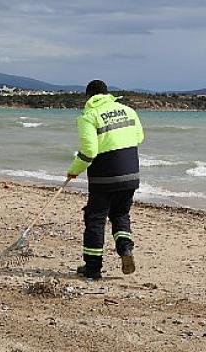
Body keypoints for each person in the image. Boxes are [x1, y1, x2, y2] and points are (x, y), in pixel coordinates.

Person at [66, 79, 144, 280]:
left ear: (88, 97)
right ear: (107, 93)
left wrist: (74, 170)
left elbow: (89, 150)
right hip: (130, 173)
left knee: (95, 219)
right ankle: (125, 250)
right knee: (120, 214)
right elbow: (139, 137)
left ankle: (93, 268)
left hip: (104, 176)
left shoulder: (88, 116)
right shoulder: (128, 111)